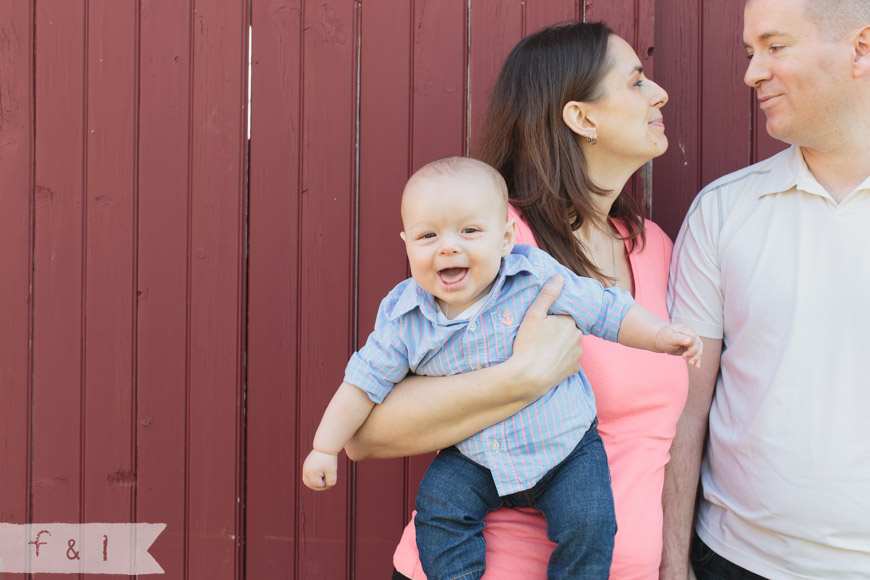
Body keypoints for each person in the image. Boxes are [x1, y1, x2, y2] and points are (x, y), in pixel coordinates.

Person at [345, 22, 689, 580]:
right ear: (582, 117)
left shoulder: (653, 245)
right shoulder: (502, 246)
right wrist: (523, 377)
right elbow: (365, 431)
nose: (659, 94)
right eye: (636, 82)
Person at [302, 157, 702, 580]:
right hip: (476, 455)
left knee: (591, 521)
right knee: (440, 512)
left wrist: (659, 336)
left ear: (507, 237)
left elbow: (604, 308)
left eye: (469, 231)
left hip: (563, 444)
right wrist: (324, 447)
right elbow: (361, 385)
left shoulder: (532, 276)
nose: (448, 247)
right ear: (406, 244)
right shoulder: (405, 319)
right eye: (427, 236)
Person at [660, 0, 870, 578]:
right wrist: (673, 564)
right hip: (737, 559)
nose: (752, 72)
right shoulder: (724, 210)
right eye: (751, 52)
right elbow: (684, 408)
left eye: (775, 47)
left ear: (861, 47)